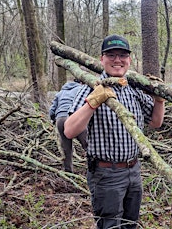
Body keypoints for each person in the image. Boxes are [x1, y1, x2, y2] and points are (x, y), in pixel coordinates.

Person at [64, 34, 165, 228]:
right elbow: (69, 130)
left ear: (129, 60)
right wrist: (93, 102)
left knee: (130, 223)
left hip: (134, 170)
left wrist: (159, 100)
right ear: (102, 59)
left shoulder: (133, 88)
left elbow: (155, 122)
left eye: (122, 55)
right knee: (109, 225)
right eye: (111, 55)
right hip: (105, 173)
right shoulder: (91, 87)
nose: (117, 60)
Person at [49, 79, 88, 173]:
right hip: (74, 117)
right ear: (81, 82)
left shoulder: (61, 92)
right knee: (87, 145)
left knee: (66, 147)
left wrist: (53, 119)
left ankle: (68, 171)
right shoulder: (81, 89)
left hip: (60, 119)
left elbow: (52, 110)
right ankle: (95, 168)